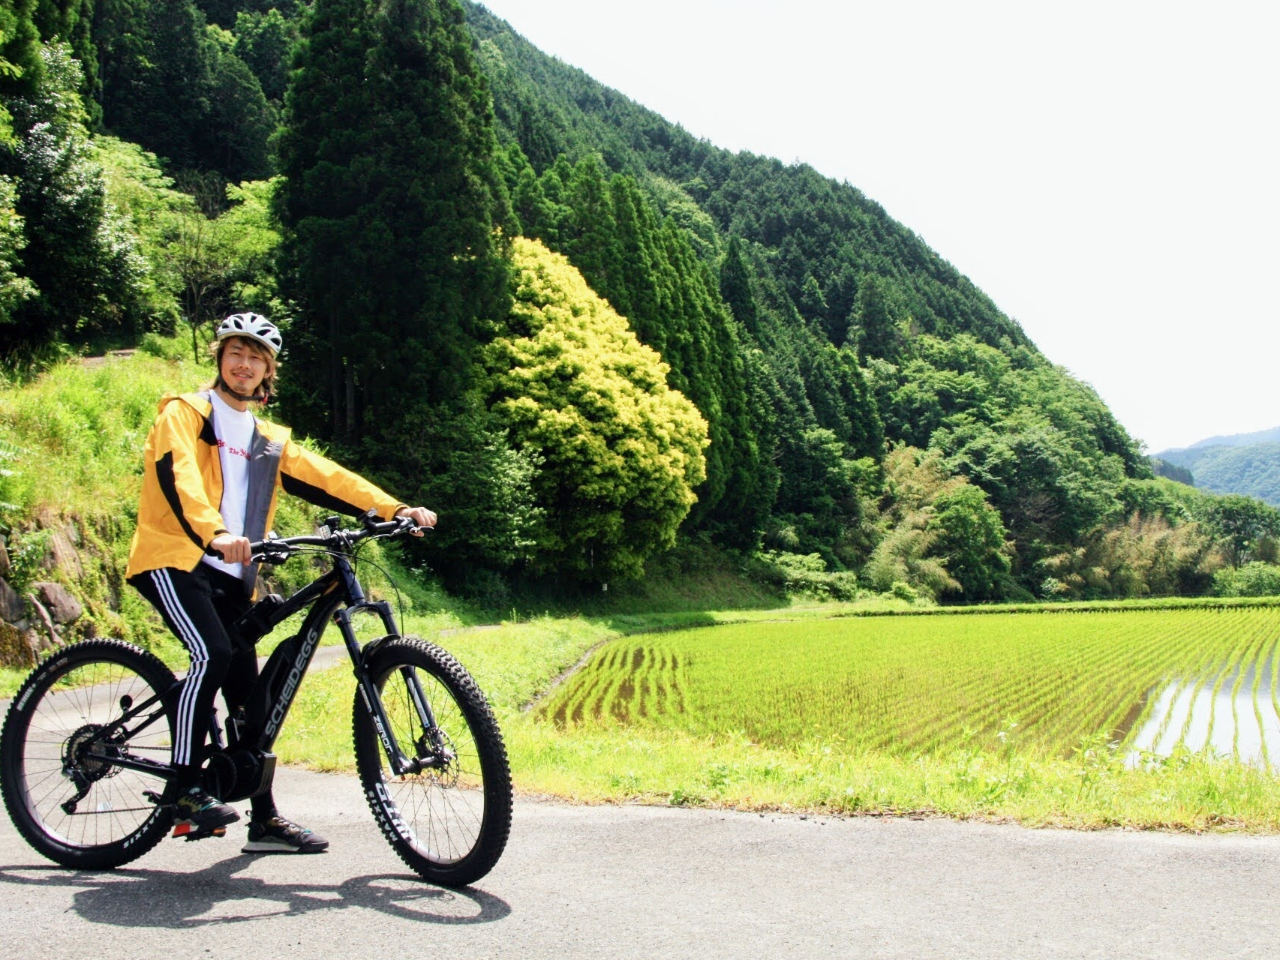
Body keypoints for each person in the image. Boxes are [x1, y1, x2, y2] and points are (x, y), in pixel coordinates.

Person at [125, 312, 436, 853]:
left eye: (257, 358)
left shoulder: (268, 438)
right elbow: (179, 478)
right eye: (235, 354)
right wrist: (215, 533)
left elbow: (328, 477)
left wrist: (395, 508)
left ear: (268, 371)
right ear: (220, 359)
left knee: (251, 703)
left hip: (233, 575)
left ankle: (263, 820)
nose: (244, 365)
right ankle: (183, 790)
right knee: (213, 654)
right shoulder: (186, 413)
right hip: (175, 558)